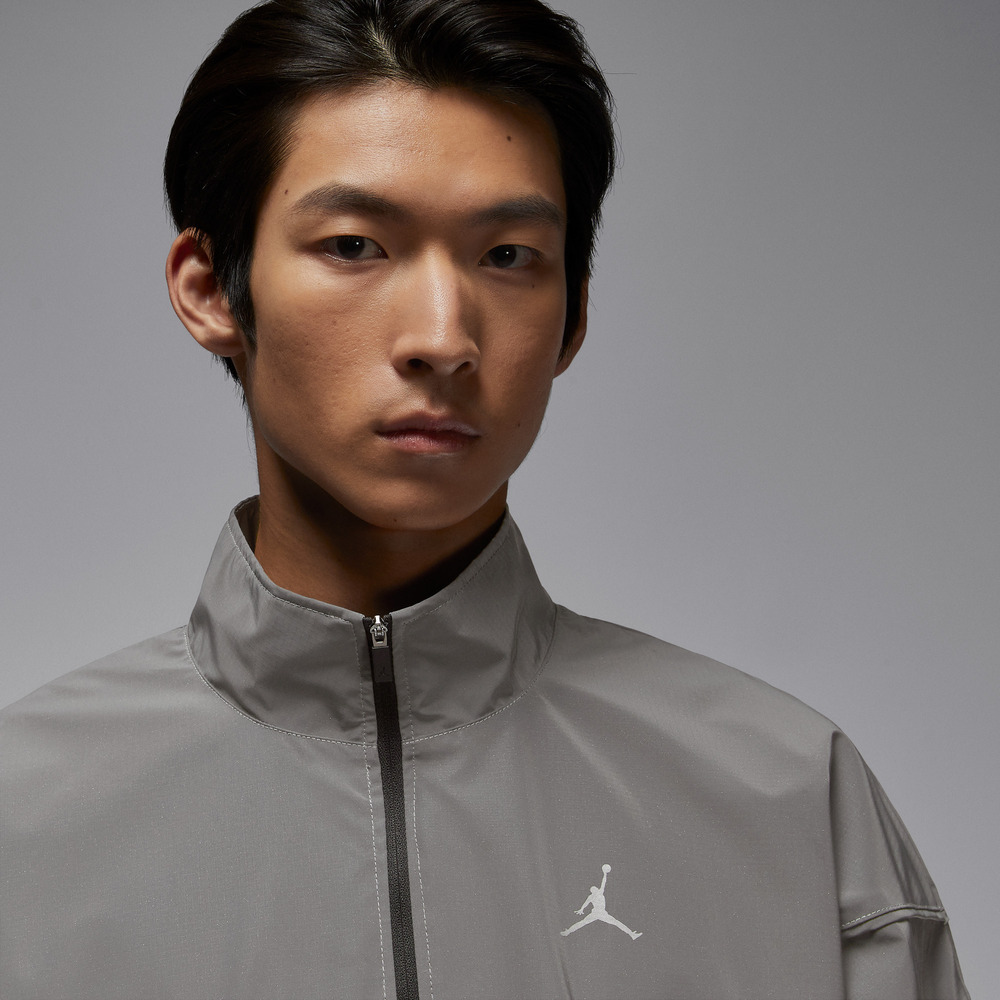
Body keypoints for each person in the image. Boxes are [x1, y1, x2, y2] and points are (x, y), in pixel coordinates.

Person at [0, 1, 969, 998]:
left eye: (507, 255)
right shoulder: (23, 820)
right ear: (211, 289)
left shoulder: (788, 802)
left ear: (573, 316)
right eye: (354, 245)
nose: (442, 337)